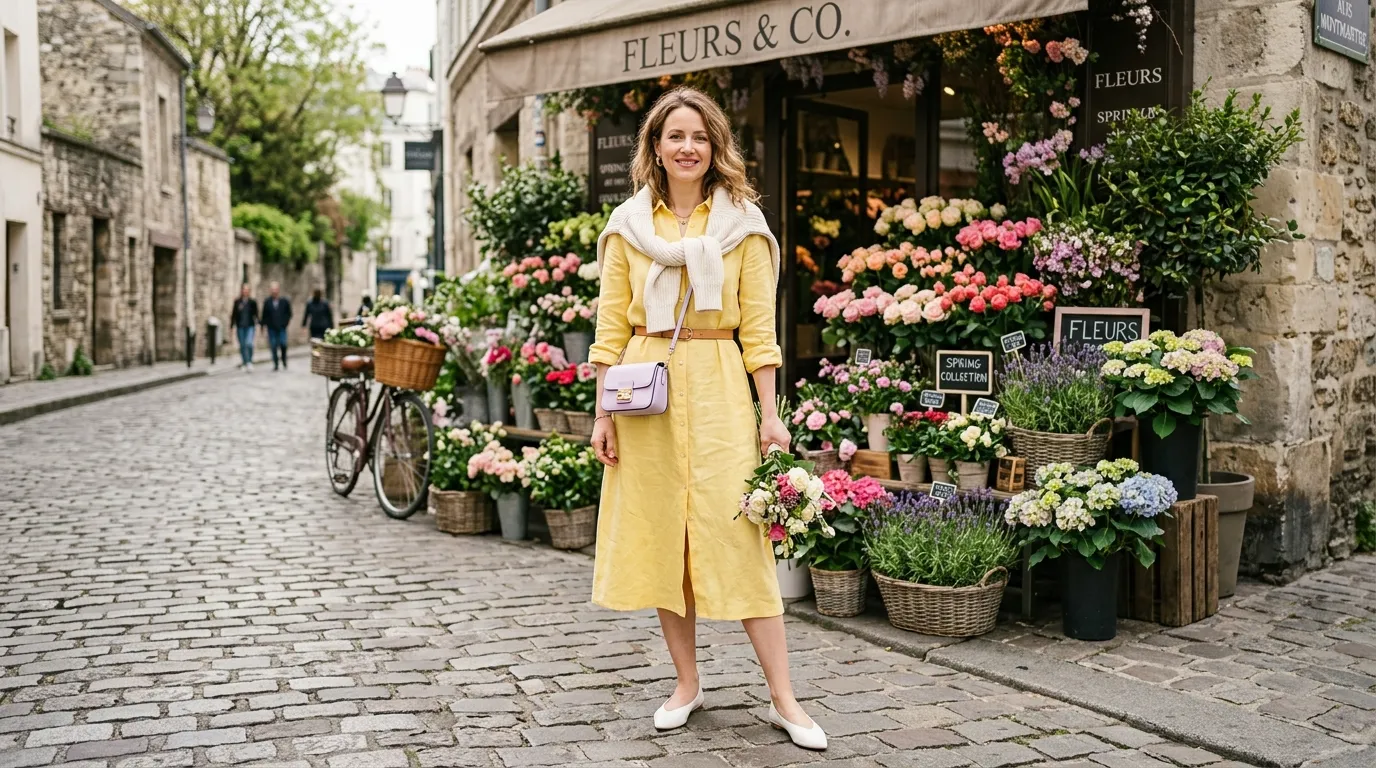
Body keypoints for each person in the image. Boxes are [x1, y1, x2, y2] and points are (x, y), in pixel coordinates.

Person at [587, 87, 826, 751]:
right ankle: (687, 683)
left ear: (715, 147)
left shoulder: (744, 226)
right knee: (666, 541)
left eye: (699, 136)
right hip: (645, 392)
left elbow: (759, 328)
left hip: (720, 386)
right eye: (675, 136)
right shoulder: (628, 226)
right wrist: (602, 416)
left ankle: (784, 698)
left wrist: (771, 415)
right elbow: (610, 326)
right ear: (655, 150)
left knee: (739, 540)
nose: (687, 147)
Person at [260, 282, 293, 371]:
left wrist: (285, 323)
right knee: (273, 346)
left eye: (276, 289)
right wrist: (262, 326)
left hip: (282, 327)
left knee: (283, 344)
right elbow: (264, 315)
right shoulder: (267, 302)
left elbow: (289, 314)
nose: (274, 291)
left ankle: (284, 359)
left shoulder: (284, 301)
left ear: (278, 290)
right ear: (270, 291)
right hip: (271, 328)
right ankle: (276, 364)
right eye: (272, 289)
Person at [230, 284, 258, 372]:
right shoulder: (237, 302)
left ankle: (249, 361)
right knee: (242, 345)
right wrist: (231, 326)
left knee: (249, 343)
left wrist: (260, 324)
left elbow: (256, 314)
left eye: (247, 289)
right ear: (241, 291)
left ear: (249, 291)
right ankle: (245, 362)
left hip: (250, 326)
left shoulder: (252, 302)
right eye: (244, 289)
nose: (245, 291)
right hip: (240, 327)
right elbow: (233, 314)